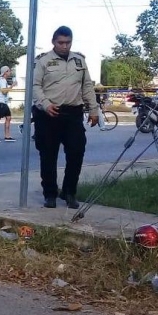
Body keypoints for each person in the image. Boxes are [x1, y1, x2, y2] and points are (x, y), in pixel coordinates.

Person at [33, 26, 98, 209]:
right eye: (61, 42)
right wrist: (46, 104)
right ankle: (50, 194)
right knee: (48, 155)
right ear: (53, 42)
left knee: (76, 152)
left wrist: (93, 110)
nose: (64, 46)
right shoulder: (43, 61)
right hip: (49, 114)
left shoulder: (79, 60)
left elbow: (87, 86)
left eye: (68, 42)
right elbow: (35, 86)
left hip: (73, 113)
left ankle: (69, 192)